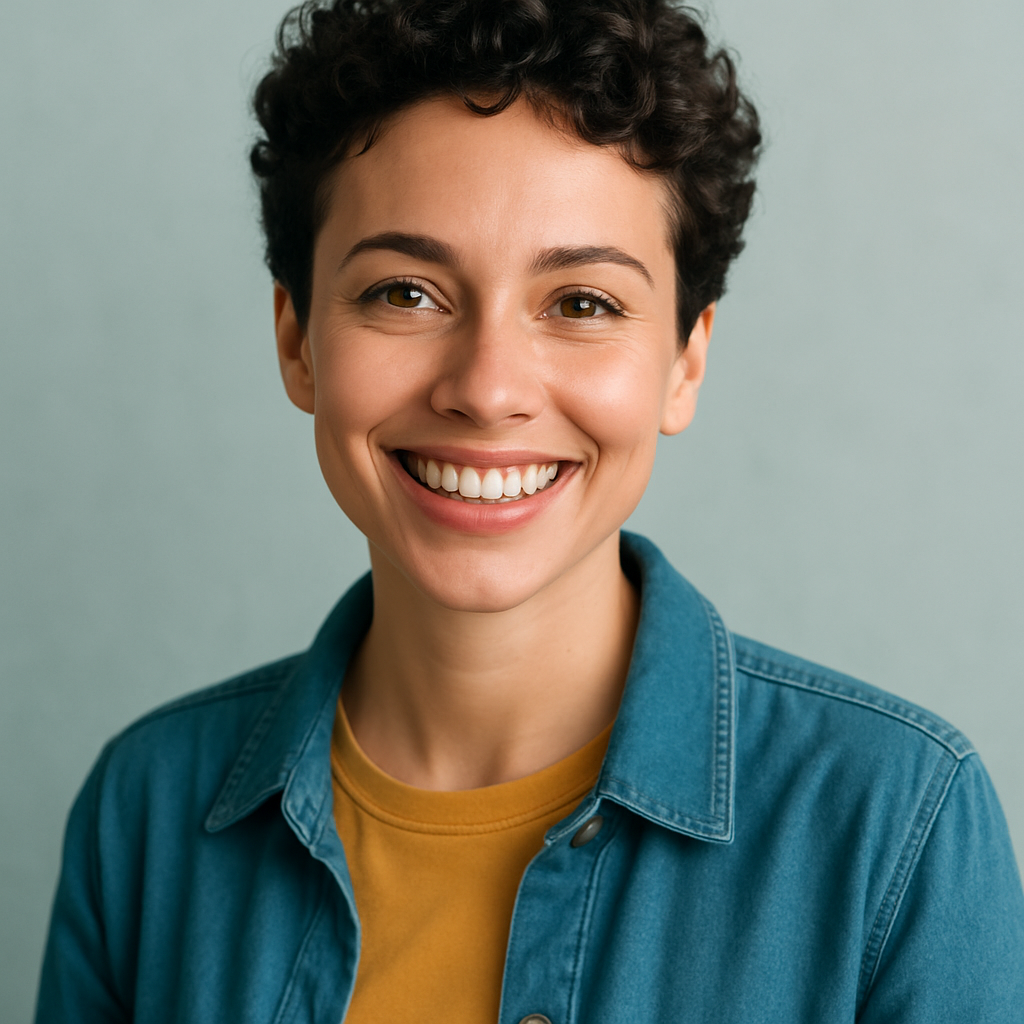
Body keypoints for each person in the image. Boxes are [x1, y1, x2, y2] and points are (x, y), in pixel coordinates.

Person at [34, 0, 1024, 1020]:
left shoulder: (896, 826)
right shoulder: (143, 817)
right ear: (297, 338)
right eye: (404, 293)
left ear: (685, 359)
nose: (488, 387)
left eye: (582, 303)